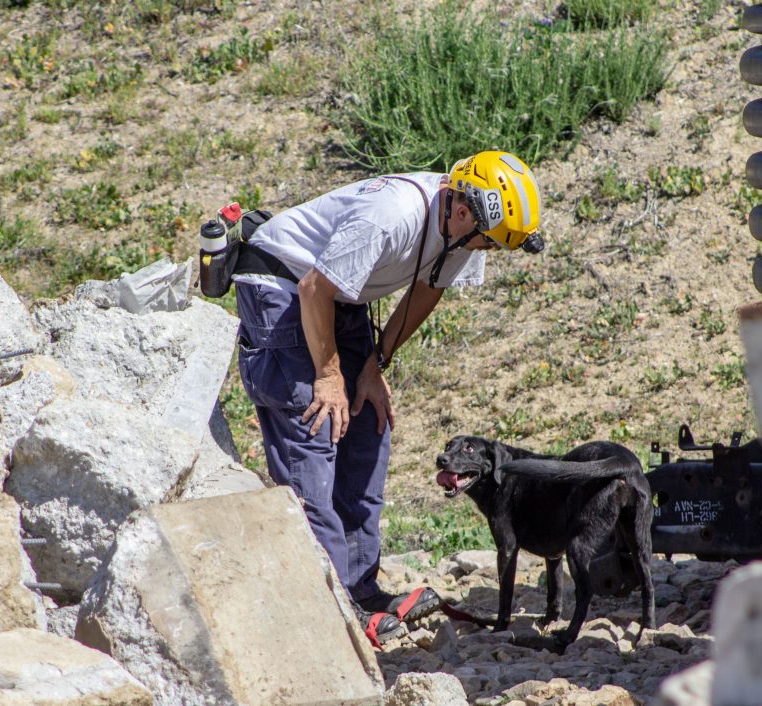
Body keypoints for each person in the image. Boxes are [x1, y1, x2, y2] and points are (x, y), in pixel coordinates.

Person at [231, 151, 544, 647]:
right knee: (313, 425)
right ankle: (330, 606)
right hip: (284, 287)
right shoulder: (391, 217)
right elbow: (314, 289)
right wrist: (329, 373)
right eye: (487, 242)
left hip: (337, 296)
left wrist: (375, 364)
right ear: (463, 212)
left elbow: (429, 287)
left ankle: (358, 587)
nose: (485, 250)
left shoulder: (463, 221)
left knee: (367, 429)